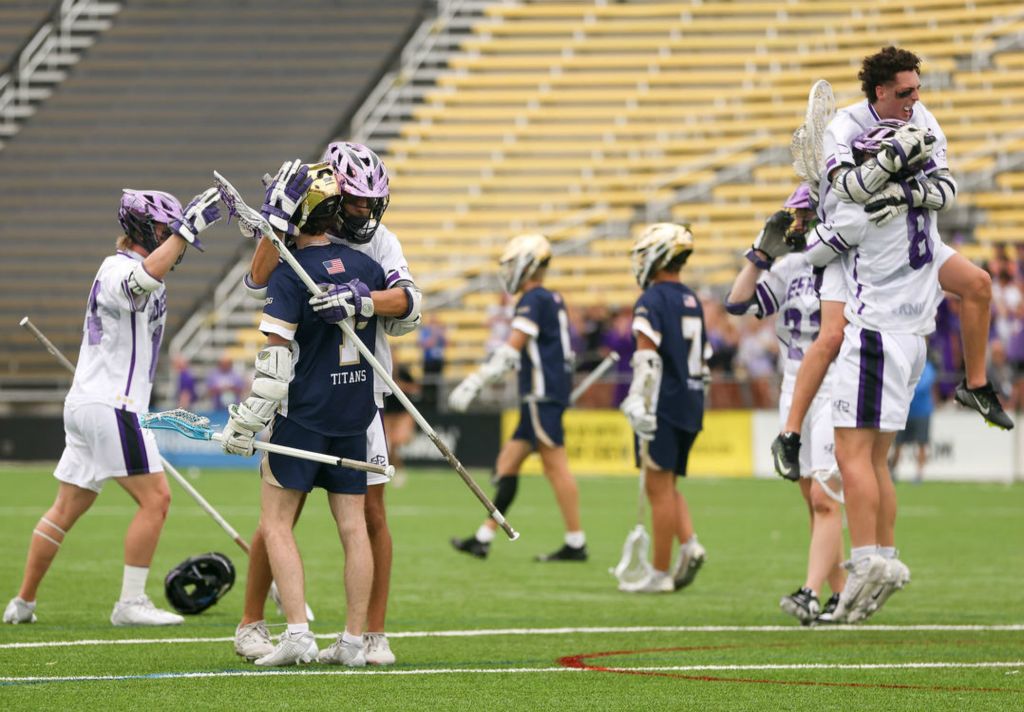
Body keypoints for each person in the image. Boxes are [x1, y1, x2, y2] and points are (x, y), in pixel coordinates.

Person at [772, 46, 1013, 485]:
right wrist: (889, 165)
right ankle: (789, 432)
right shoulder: (843, 124)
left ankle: (975, 385)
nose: (915, 100)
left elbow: (947, 190)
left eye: (918, 90)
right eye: (905, 92)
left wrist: (904, 194)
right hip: (849, 246)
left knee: (978, 284)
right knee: (829, 337)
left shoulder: (922, 118)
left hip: (908, 236)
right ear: (879, 91)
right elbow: (848, 190)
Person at [231, 144, 420, 667]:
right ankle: (255, 621)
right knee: (306, 517)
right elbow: (257, 280)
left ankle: (367, 634)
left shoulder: (378, 242)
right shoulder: (306, 232)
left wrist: (360, 300)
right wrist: (276, 222)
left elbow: (408, 303)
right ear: (334, 194)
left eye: (371, 203)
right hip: (346, 397)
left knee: (309, 514)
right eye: (356, 202)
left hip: (353, 395)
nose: (365, 213)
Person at [3, 186, 221, 626]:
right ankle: (130, 604)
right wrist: (187, 229)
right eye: (164, 229)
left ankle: (22, 602)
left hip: (91, 403)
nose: (171, 240)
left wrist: (181, 232)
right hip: (112, 404)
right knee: (156, 500)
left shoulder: (139, 269)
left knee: (66, 508)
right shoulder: (119, 267)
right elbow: (143, 281)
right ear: (143, 228)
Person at [793, 117, 952, 622]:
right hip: (911, 337)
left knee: (851, 454)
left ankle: (865, 560)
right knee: (878, 459)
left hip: (876, 335)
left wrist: (823, 203)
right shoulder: (919, 210)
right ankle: (884, 556)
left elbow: (817, 248)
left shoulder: (863, 212)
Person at [725, 186, 845, 623]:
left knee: (825, 496)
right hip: (794, 387)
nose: (794, 224)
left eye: (803, 215)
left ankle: (810, 593)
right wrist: (758, 254)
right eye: (793, 216)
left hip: (835, 384)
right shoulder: (791, 265)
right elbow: (737, 303)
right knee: (812, 497)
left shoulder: (845, 263)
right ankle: (843, 593)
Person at [449, 233, 587, 562]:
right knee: (507, 464)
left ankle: (576, 542)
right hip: (542, 394)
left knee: (556, 468)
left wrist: (475, 381)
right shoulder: (550, 298)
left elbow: (511, 351)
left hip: (541, 394)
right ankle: (483, 537)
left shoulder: (533, 299)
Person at [619, 223, 709, 593]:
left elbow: (646, 357)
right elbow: (705, 358)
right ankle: (689, 543)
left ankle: (659, 573)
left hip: (662, 402)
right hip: (690, 399)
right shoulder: (691, 298)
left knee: (657, 487)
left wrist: (637, 399)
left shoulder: (652, 300)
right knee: (668, 483)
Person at [891, 357, 936, 484]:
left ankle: (919, 474)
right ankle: (893, 471)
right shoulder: (904, 364)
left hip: (922, 412)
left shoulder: (927, 367)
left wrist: (906, 387)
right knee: (898, 444)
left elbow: (922, 386)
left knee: (921, 443)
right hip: (904, 412)